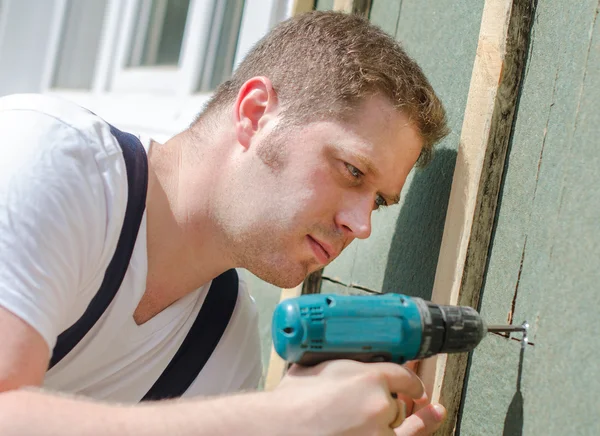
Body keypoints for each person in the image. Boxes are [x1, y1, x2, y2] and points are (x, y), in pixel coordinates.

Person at [0, 10, 450, 436]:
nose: (362, 225)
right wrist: (279, 416)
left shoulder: (224, 351)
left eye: (380, 202)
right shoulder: (46, 158)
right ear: (255, 114)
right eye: (352, 170)